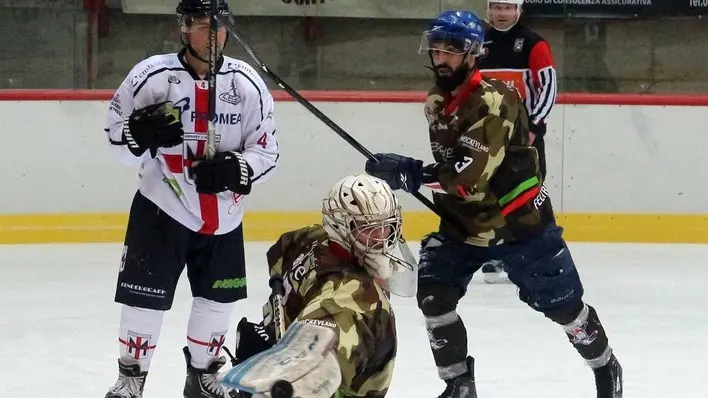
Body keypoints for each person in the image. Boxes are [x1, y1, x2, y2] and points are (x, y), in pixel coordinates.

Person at [365, 10, 622, 398]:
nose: (442, 57)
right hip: (464, 226)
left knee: (564, 307)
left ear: (474, 54)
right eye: (437, 48)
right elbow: (457, 175)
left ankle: (605, 367)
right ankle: (459, 385)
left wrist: (411, 173)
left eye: (453, 49)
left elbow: (468, 178)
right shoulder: (437, 100)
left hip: (520, 225)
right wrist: (413, 174)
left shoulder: (494, 102)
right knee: (434, 296)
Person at [102, 0, 279, 397]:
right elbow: (113, 138)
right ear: (184, 29)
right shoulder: (150, 75)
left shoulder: (247, 83)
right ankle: (131, 378)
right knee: (144, 300)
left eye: (217, 27)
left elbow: (267, 152)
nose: (211, 35)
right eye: (201, 26)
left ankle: (204, 375)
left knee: (217, 300)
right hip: (160, 208)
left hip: (226, 216)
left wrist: (237, 170)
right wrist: (137, 133)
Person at [220, 174, 412, 398]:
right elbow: (323, 354)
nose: (380, 238)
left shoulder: (312, 238)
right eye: (366, 228)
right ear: (340, 224)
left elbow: (280, 251)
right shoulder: (351, 294)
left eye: (386, 226)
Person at [477, 0, 559, 283]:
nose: (501, 13)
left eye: (508, 8)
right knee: (490, 191)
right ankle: (499, 252)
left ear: (519, 10)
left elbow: (548, 86)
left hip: (523, 136)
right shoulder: (478, 41)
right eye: (496, 7)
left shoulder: (534, 44)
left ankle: (539, 250)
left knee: (528, 192)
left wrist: (535, 126)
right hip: (486, 134)